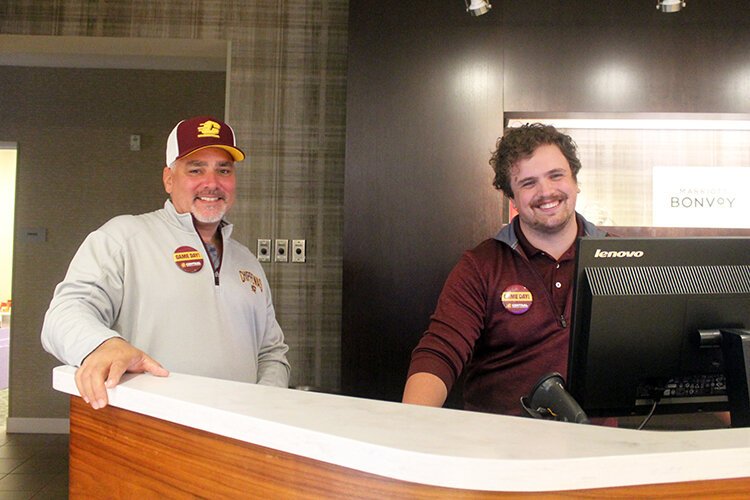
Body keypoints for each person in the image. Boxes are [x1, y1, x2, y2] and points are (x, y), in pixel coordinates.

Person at [42, 116, 290, 410]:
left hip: (238, 435)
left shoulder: (248, 262)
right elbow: (63, 315)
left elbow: (271, 351)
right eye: (196, 169)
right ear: (169, 179)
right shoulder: (123, 238)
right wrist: (103, 345)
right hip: (155, 432)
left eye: (223, 170)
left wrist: (266, 408)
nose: (212, 183)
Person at [402, 122, 608, 416]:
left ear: (575, 182)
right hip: (500, 447)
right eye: (528, 183)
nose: (546, 191)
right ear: (512, 197)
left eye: (556, 176)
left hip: (597, 446)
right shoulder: (480, 266)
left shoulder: (620, 258)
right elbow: (440, 352)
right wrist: (410, 424)